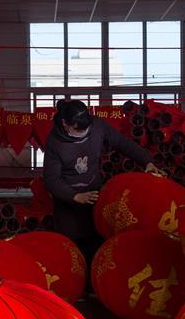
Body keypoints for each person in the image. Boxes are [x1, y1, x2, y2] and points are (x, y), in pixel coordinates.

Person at [43, 99, 161, 268]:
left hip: (95, 194)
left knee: (98, 242)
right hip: (69, 203)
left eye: (86, 129)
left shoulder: (97, 126)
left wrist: (147, 161)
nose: (83, 133)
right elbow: (51, 179)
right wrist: (74, 196)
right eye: (78, 130)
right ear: (65, 124)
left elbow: (123, 143)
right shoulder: (55, 142)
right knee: (74, 253)